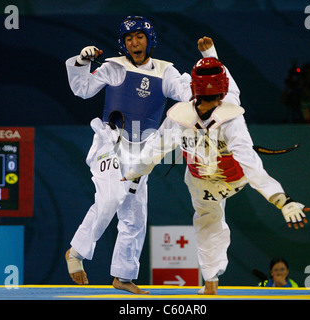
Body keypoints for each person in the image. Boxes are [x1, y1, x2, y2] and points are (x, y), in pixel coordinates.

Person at [64, 15, 240, 294]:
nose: (134, 42)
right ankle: (76, 251)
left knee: (134, 216)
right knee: (111, 197)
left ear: (150, 40)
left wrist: (210, 60)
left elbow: (193, 93)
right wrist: (82, 62)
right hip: (110, 142)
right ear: (123, 44)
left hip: (141, 151)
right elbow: (81, 89)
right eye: (129, 38)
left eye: (140, 37)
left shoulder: (166, 72)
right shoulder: (113, 67)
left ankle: (123, 276)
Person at [123, 57, 310, 295]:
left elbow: (157, 148)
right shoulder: (185, 114)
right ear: (221, 90)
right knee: (208, 220)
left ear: (193, 88)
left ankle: (211, 280)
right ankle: (210, 281)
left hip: (228, 177)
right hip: (206, 180)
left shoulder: (229, 116)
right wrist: (282, 201)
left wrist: (135, 172)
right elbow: (251, 163)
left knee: (207, 221)